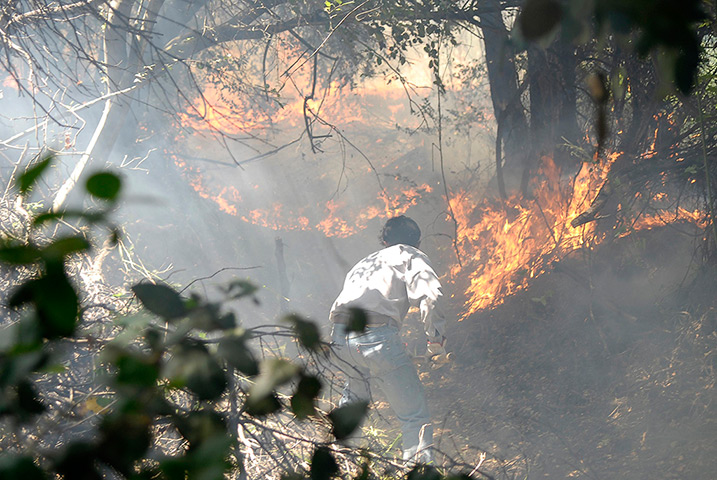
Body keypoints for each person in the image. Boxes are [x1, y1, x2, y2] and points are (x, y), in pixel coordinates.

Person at [329, 215, 446, 464]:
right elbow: (431, 296)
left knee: (353, 403)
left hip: (340, 337)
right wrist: (435, 342)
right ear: (418, 241)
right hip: (376, 336)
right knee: (414, 418)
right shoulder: (410, 255)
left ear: (384, 239)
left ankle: (338, 465)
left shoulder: (364, 263)